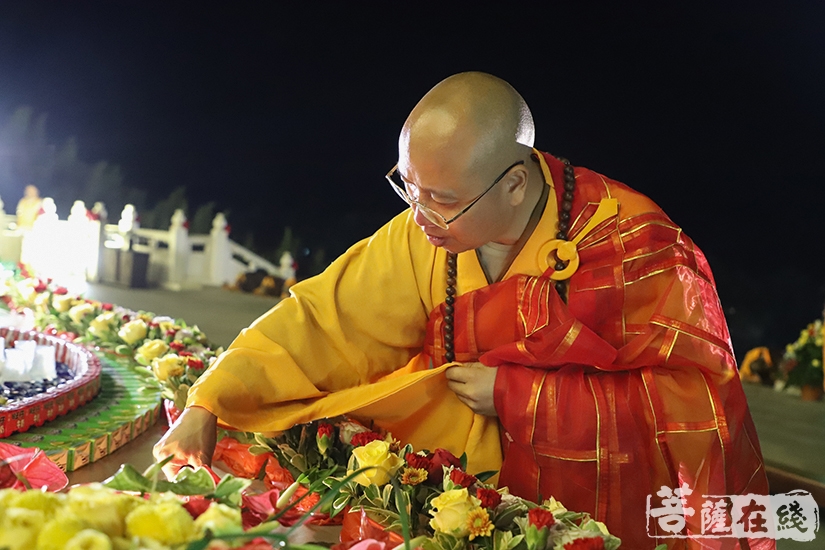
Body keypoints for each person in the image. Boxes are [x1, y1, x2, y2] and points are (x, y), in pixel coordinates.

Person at [154, 73, 772, 549]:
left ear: (513, 183)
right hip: (456, 501)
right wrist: (210, 400)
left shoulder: (637, 245)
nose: (420, 218)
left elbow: (698, 406)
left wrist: (518, 396)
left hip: (585, 515)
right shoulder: (426, 233)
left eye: (441, 201)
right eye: (408, 189)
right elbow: (323, 319)